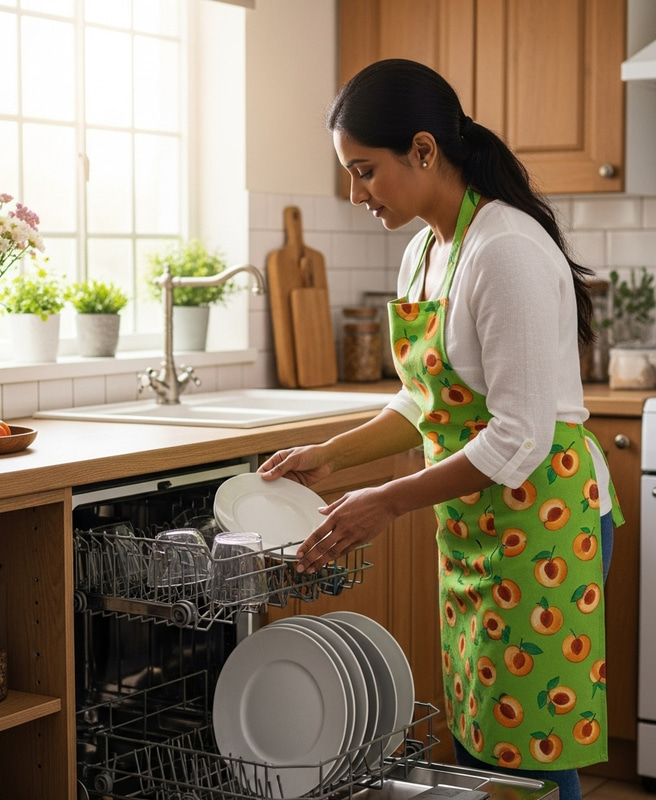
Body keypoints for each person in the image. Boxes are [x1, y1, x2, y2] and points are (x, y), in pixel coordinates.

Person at [258, 59, 623, 800]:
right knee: (482, 735)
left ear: (423, 151)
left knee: (531, 750)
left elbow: (519, 436)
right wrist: (330, 457)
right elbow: (427, 402)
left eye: (365, 171)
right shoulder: (425, 250)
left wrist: (388, 500)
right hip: (477, 525)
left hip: (545, 524)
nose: (355, 193)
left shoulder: (505, 251)